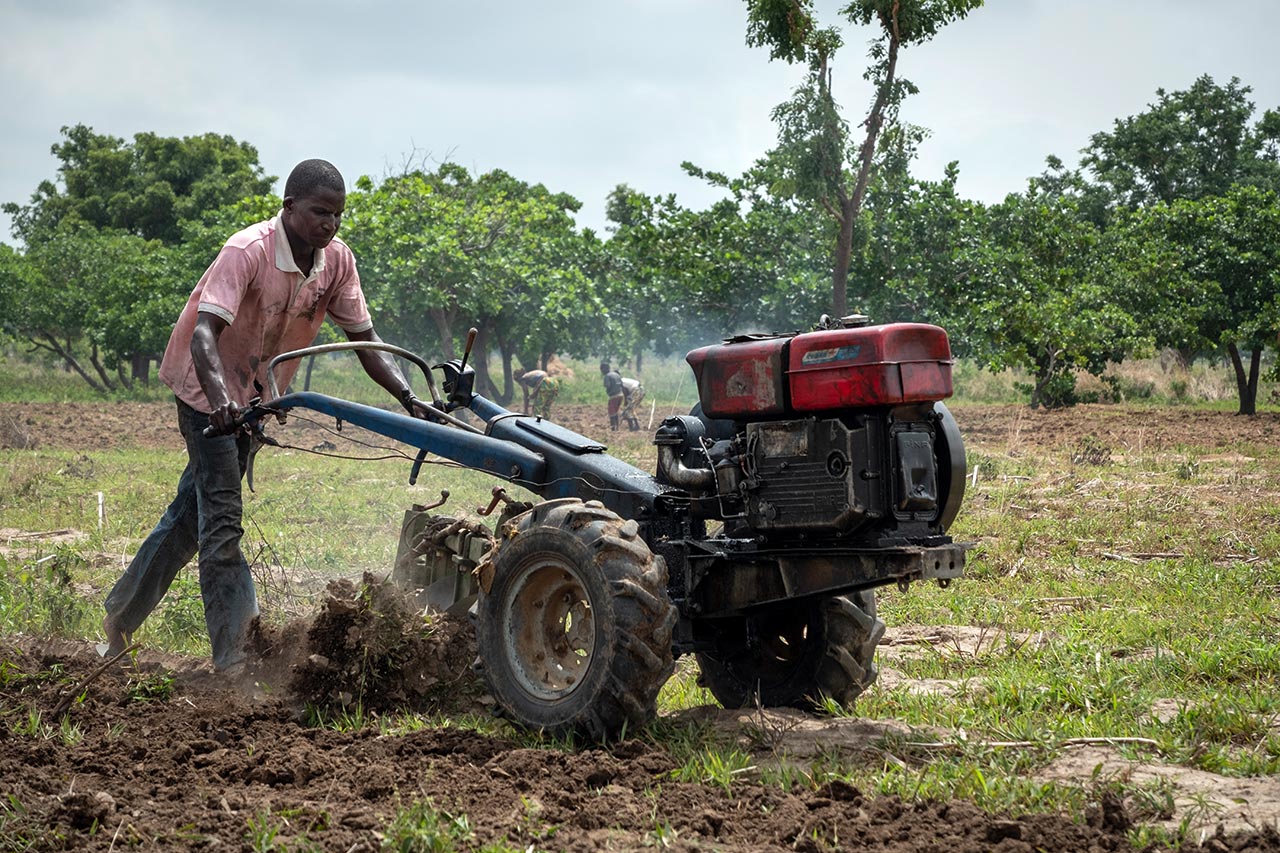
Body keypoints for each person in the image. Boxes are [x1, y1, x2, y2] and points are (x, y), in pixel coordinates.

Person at [102, 159, 423, 674]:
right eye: (320, 212)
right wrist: (221, 403)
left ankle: (120, 616)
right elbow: (204, 333)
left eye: (337, 215)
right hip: (206, 395)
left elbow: (366, 342)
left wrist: (409, 398)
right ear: (289, 207)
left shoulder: (337, 262)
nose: (330, 224)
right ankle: (237, 657)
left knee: (191, 515)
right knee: (221, 523)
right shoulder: (247, 251)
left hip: (256, 401)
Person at [600, 361, 645, 430]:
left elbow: (625, 391)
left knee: (628, 410)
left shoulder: (621, 381)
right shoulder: (622, 380)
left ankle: (632, 428)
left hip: (636, 390)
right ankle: (636, 426)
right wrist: (626, 401)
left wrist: (626, 402)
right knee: (630, 409)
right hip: (641, 390)